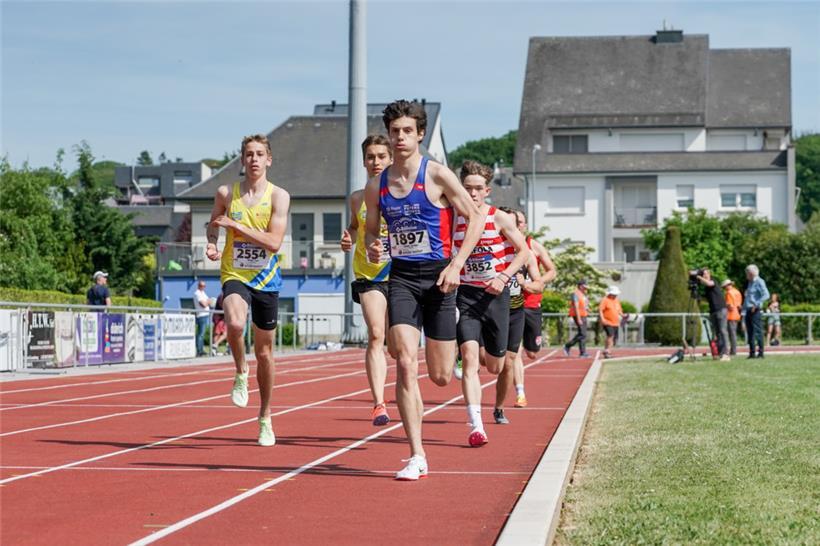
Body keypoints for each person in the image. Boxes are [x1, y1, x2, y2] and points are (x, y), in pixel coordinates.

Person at [364, 100, 484, 480]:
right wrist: (371, 244)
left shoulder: (436, 175)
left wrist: (456, 265)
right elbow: (370, 230)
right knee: (403, 360)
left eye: (407, 131)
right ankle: (417, 454)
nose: (400, 138)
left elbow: (476, 217)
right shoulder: (377, 185)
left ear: (419, 135)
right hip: (400, 277)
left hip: (439, 278)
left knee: (441, 376)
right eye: (394, 131)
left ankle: (453, 361)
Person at [205, 134, 290, 447]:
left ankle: (265, 416)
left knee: (266, 353)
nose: (254, 159)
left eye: (260, 154)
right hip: (234, 273)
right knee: (236, 323)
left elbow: (273, 242)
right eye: (249, 154)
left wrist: (236, 228)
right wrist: (213, 243)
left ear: (269, 159)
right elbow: (214, 222)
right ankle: (241, 370)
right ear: (242, 160)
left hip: (267, 280)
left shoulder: (279, 197)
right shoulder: (226, 192)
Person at [453, 161, 532, 446]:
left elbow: (523, 252)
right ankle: (476, 426)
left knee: (496, 367)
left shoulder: (499, 218)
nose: (472, 194)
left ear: (487, 191)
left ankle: (484, 348)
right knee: (471, 361)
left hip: (495, 297)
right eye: (467, 188)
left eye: (477, 189)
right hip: (466, 296)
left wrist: (503, 276)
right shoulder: (452, 218)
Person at [340, 134, 394, 426]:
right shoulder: (357, 198)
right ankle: (379, 403)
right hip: (368, 274)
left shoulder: (401, 194)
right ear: (364, 161)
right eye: (371, 157)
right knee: (375, 334)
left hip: (400, 273)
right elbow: (352, 226)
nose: (375, 162)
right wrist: (348, 237)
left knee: (397, 347)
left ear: (390, 159)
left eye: (381, 157)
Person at [493, 211, 542, 425]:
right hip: (490, 309)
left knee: (509, 362)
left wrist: (524, 284)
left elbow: (539, 284)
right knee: (484, 359)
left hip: (515, 311)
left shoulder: (527, 254)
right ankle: (462, 350)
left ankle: (499, 408)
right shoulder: (491, 249)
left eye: (517, 224)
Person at [514, 209, 556, 407]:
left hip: (532, 303)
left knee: (532, 352)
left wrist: (537, 281)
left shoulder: (534, 246)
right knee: (515, 351)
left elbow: (552, 271)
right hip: (512, 303)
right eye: (513, 221)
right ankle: (520, 393)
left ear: (525, 225)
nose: (516, 224)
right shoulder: (502, 245)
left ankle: (533, 346)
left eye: (519, 222)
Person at [696, 269, 730, 361]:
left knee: (723, 331)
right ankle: (720, 353)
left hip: (720, 309)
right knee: (717, 333)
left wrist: (698, 277)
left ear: (709, 274)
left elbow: (709, 283)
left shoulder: (714, 280)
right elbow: (707, 299)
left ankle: (726, 353)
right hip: (713, 310)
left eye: (706, 274)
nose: (705, 276)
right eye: (703, 274)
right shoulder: (706, 288)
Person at [743, 264, 770, 359]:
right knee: (750, 332)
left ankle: (761, 353)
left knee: (758, 331)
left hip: (755, 310)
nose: (746, 275)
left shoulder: (759, 282)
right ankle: (752, 353)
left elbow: (766, 295)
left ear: (751, 273)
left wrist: (756, 304)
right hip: (748, 310)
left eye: (747, 273)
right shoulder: (750, 283)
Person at [564, 280, 591, 357]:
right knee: (582, 334)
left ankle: (578, 350)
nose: (586, 288)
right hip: (578, 315)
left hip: (584, 315)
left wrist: (587, 308)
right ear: (580, 286)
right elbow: (576, 307)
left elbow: (585, 304)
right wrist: (578, 318)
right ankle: (580, 351)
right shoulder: (575, 294)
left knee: (582, 334)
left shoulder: (583, 294)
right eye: (584, 287)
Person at [599, 286, 624, 359]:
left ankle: (607, 351)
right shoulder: (605, 300)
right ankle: (607, 350)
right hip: (607, 322)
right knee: (610, 335)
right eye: (614, 294)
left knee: (613, 338)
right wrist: (602, 319)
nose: (615, 295)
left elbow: (619, 310)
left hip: (615, 322)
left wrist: (623, 315)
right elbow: (600, 310)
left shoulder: (616, 300)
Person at [722, 279, 743, 356]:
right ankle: (733, 350)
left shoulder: (729, 293)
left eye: (724, 287)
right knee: (733, 334)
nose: (724, 289)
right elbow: (739, 305)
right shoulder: (737, 292)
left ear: (728, 285)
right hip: (737, 314)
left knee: (731, 334)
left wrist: (724, 305)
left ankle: (732, 351)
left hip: (730, 315)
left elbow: (730, 305)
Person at [193, 280, 211, 357]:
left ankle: (201, 349)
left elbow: (208, 301)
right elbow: (203, 304)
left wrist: (208, 302)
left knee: (201, 334)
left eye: (204, 286)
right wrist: (208, 302)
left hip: (205, 314)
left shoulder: (202, 293)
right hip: (201, 315)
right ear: (198, 286)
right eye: (201, 286)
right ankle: (199, 350)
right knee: (201, 334)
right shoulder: (197, 293)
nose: (203, 287)